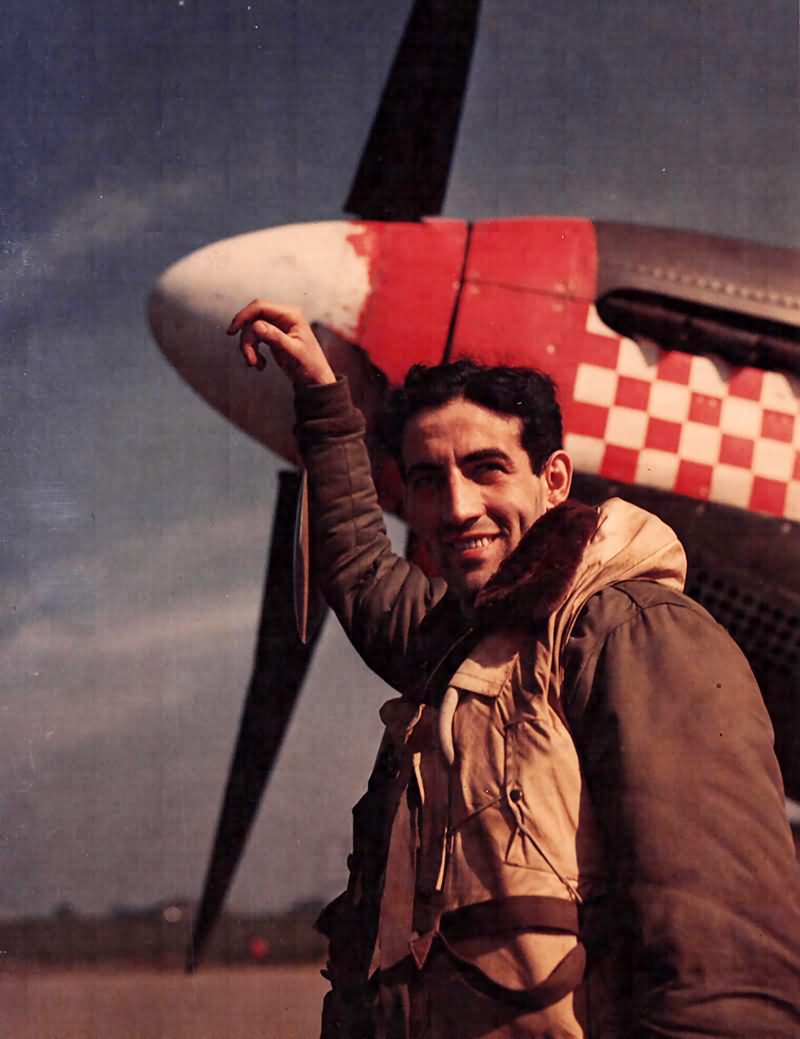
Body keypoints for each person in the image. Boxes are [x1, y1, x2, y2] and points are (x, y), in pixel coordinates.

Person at [228, 300, 800, 1038]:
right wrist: (323, 397)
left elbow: (727, 965)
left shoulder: (630, 629)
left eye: (487, 468)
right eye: (429, 480)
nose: (458, 506)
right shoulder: (469, 641)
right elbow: (363, 573)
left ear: (554, 477)